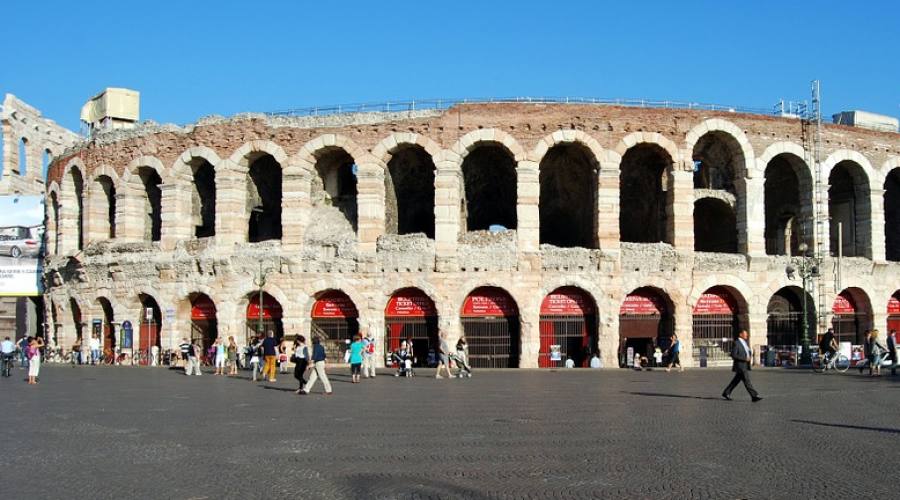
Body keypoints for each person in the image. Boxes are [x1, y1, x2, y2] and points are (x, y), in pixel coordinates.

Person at [722, 330, 761, 402]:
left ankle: (726, 392)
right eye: (745, 334)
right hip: (740, 366)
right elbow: (733, 355)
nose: (747, 335)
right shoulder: (736, 343)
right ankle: (754, 396)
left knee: (735, 381)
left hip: (745, 365)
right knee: (747, 381)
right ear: (740, 334)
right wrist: (744, 358)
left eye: (747, 334)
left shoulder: (745, 343)